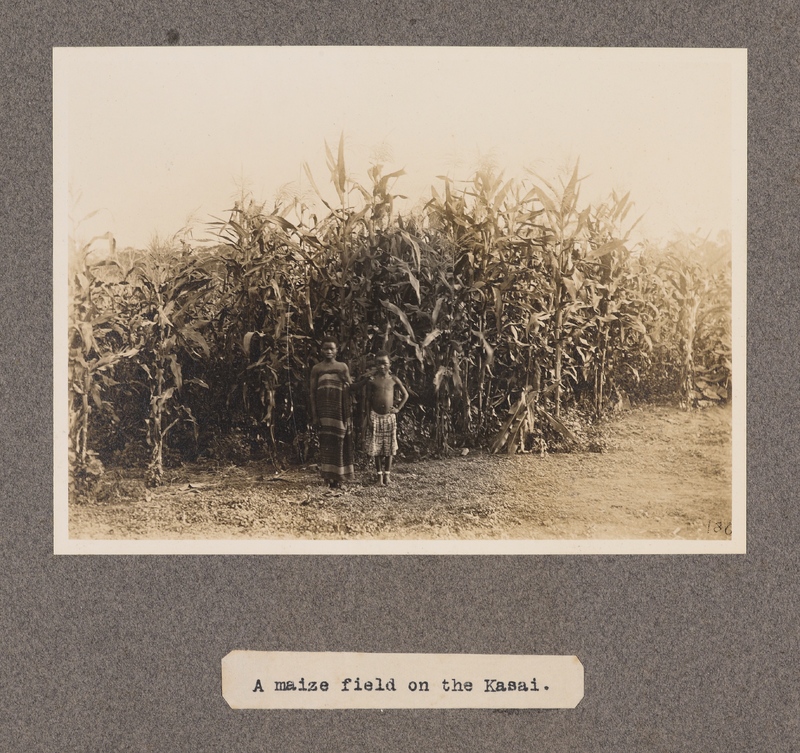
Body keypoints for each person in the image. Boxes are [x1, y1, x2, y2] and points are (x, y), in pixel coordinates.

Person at [357, 350, 409, 486]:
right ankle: (379, 477)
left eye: (384, 363)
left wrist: (398, 408)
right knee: (377, 448)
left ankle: (387, 476)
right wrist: (368, 417)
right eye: (378, 364)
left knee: (389, 447)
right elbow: (368, 400)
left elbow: (406, 395)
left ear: (389, 364)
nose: (381, 366)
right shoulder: (372, 381)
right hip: (375, 417)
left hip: (389, 418)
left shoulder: (393, 379)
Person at [309, 338, 354, 489]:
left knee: (340, 441)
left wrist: (345, 381)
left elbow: (350, 388)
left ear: (337, 351)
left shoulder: (342, 367)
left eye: (331, 349)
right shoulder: (317, 368)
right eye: (325, 349)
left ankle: (339, 478)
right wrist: (315, 415)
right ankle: (328, 478)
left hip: (340, 411)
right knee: (326, 442)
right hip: (324, 412)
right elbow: (312, 392)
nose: (328, 351)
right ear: (321, 351)